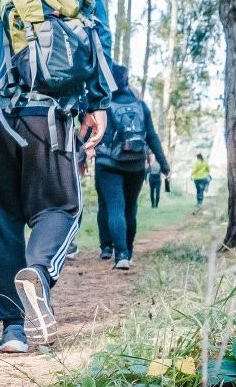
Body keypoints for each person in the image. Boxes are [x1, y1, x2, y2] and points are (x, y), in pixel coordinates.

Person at [0, 0, 112, 353]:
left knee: (0, 219)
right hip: (50, 109)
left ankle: (13, 330)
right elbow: (98, 37)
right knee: (61, 207)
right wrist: (97, 102)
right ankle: (38, 271)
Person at [91, 65, 169, 270]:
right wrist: (164, 165)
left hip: (108, 164)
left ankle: (121, 254)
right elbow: (151, 136)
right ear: (127, 81)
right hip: (136, 164)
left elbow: (93, 134)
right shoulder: (140, 105)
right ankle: (129, 252)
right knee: (130, 209)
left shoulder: (104, 104)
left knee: (115, 208)